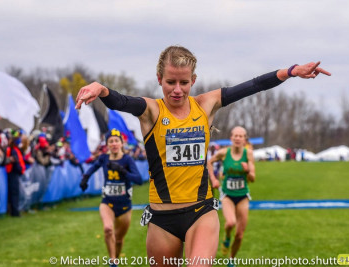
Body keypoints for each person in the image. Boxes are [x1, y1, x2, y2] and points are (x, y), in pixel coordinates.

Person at [76, 45, 331, 266]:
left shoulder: (205, 104)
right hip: (162, 219)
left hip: (201, 212)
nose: (177, 90)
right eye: (170, 82)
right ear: (159, 79)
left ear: (193, 80)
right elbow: (122, 101)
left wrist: (291, 71)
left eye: (184, 82)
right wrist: (102, 89)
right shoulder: (152, 110)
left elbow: (252, 86)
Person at [79, 129, 143, 267]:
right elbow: (92, 168)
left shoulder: (127, 159)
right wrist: (85, 179)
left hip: (125, 205)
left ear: (122, 143)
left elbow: (138, 180)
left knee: (119, 239)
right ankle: (112, 261)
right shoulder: (103, 158)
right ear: (107, 144)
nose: (114, 144)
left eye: (116, 141)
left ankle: (115, 260)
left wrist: (122, 171)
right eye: (111, 141)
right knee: (108, 229)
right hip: (107, 202)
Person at [207, 126, 255, 265]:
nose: (238, 138)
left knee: (239, 235)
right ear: (231, 138)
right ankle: (227, 237)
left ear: (245, 139)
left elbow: (253, 178)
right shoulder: (223, 152)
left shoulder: (249, 154)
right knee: (230, 223)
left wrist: (247, 171)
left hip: (243, 196)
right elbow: (209, 162)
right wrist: (214, 179)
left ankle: (232, 259)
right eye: (236, 136)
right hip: (227, 195)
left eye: (241, 136)